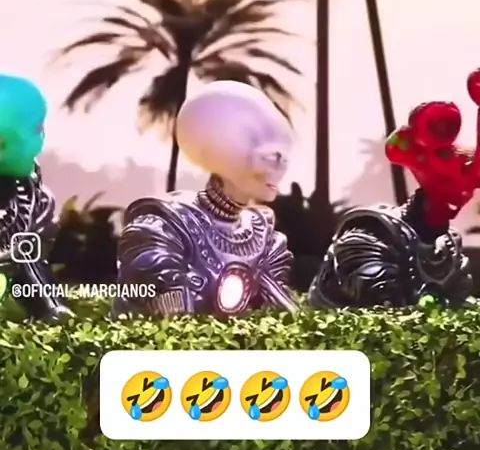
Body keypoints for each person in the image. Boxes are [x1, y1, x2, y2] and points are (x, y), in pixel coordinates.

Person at [113, 81, 298, 317]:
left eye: (284, 159)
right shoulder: (161, 227)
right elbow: (172, 322)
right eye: (272, 157)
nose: (280, 170)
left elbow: (284, 317)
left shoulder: (266, 237)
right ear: (223, 146)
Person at [308, 71, 480, 308]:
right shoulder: (373, 236)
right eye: (448, 177)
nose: (463, 191)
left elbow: (459, 302)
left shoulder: (448, 248)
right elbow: (380, 309)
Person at [0, 74, 71, 321]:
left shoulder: (34, 200)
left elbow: (29, 259)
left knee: (27, 259)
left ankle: (49, 308)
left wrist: (49, 308)